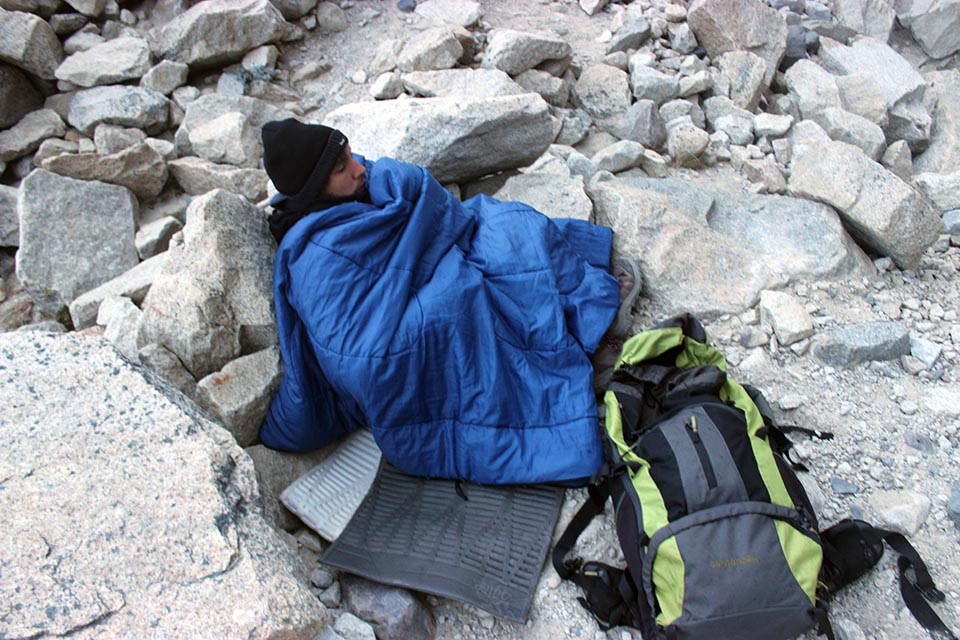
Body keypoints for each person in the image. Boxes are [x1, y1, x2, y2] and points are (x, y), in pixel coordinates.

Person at [258, 118, 641, 485]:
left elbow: (424, 199)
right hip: (398, 331)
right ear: (313, 190)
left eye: (351, 155)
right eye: (343, 168)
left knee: (512, 228)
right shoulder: (312, 252)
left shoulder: (360, 185)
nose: (359, 168)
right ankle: (578, 355)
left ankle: (583, 321)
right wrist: (437, 273)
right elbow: (357, 351)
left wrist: (404, 195)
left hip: (437, 249)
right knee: (459, 301)